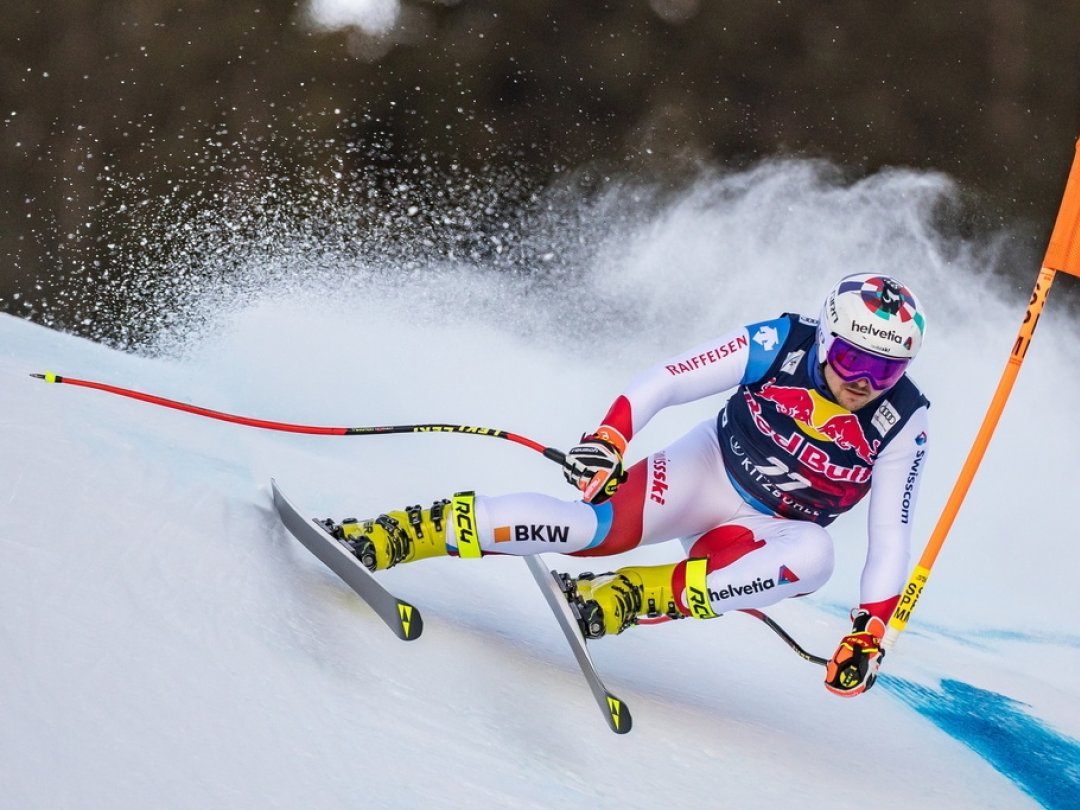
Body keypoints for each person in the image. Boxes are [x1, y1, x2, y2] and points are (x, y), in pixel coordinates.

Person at [327, 273, 929, 698]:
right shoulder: (780, 343)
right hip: (707, 470)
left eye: (885, 369)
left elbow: (891, 534)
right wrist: (613, 437)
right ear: (827, 337)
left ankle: (624, 598)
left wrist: (869, 629)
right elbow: (668, 380)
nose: (863, 381)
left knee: (815, 559)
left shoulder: (902, 419)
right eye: (853, 360)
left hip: (762, 533)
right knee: (587, 530)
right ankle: (394, 533)